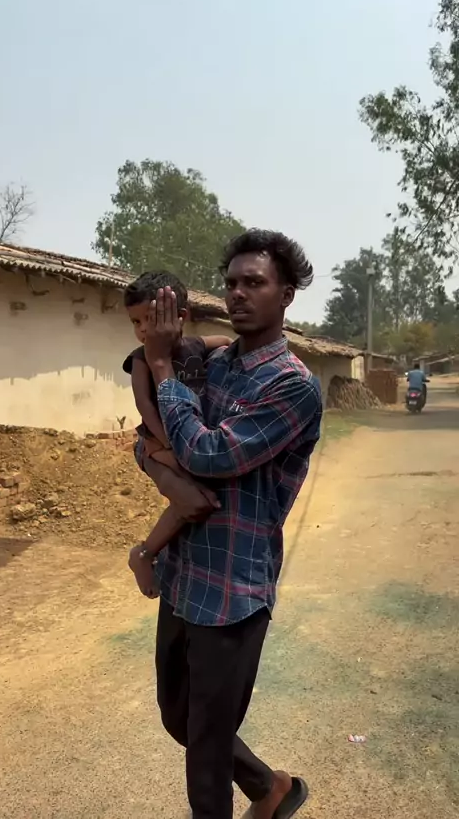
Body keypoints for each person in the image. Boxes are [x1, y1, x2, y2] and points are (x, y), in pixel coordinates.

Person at [141, 229, 322, 819]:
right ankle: (271, 787)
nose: (238, 293)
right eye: (232, 283)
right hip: (184, 573)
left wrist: (162, 365)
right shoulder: (211, 364)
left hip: (232, 590)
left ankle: (255, 793)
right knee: (178, 716)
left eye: (255, 282)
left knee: (207, 753)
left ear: (286, 295)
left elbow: (208, 454)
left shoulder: (292, 385)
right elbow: (149, 438)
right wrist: (166, 477)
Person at [122, 271, 232, 597]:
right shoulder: (141, 359)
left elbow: (225, 341)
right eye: (136, 322)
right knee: (196, 499)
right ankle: (145, 554)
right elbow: (144, 405)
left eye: (151, 319)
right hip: (156, 445)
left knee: (198, 501)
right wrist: (169, 444)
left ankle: (149, 553)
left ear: (180, 316)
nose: (143, 329)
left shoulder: (194, 346)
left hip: (186, 443)